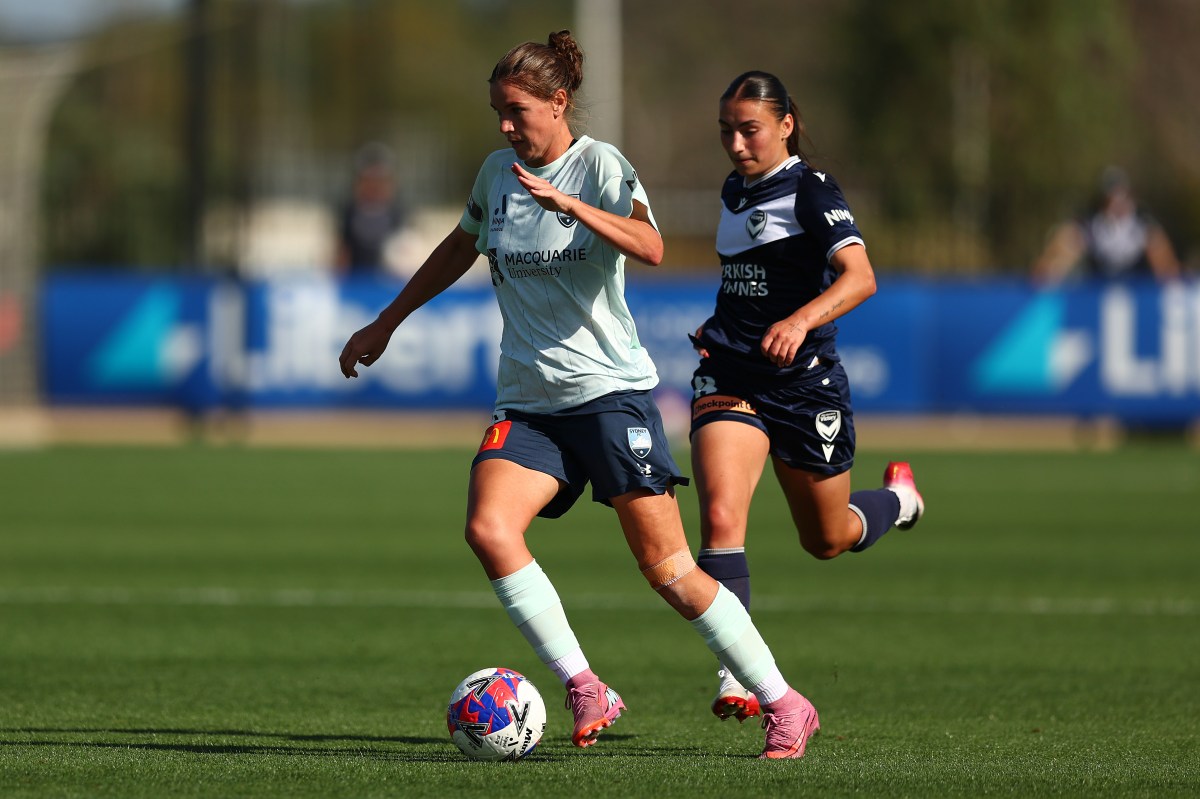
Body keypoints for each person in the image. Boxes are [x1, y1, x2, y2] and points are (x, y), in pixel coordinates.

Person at [339, 34, 819, 759]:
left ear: (558, 102)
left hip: (608, 395)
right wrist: (387, 320)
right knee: (489, 528)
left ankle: (785, 702)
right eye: (498, 112)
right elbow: (460, 245)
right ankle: (584, 684)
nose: (506, 125)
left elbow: (651, 246)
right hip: (529, 401)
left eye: (517, 110)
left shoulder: (599, 165)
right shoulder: (496, 173)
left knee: (669, 571)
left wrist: (569, 203)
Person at [687, 71, 925, 722]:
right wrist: (721, 325)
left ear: (786, 124)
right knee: (721, 516)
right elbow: (745, 281)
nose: (736, 144)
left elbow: (860, 276)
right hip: (731, 374)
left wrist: (797, 323)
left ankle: (901, 500)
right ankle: (736, 671)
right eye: (726, 131)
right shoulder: (734, 189)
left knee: (826, 537)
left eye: (750, 130)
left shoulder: (812, 190)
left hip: (802, 383)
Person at [1032, 166, 1182, 286]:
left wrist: (1170, 279)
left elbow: (1167, 266)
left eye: (1122, 198)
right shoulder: (1091, 225)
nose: (1118, 206)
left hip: (1136, 289)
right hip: (1098, 288)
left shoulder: (1143, 225)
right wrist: (1050, 271)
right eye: (1112, 200)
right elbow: (1060, 255)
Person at [335, 142, 409, 274]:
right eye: (369, 181)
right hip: (356, 277)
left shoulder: (398, 212)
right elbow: (342, 251)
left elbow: (405, 253)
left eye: (380, 181)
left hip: (387, 277)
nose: (374, 187)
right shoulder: (349, 211)